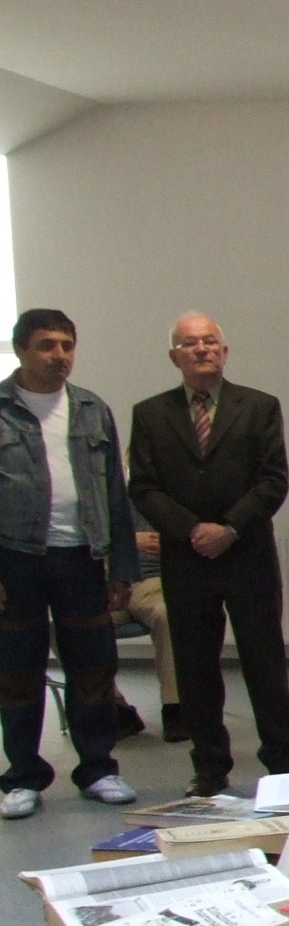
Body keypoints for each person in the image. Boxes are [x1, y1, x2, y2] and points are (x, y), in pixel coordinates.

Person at [128, 313, 289, 795]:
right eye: (190, 344)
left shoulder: (260, 406)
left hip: (247, 554)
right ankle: (209, 766)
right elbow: (143, 487)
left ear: (224, 352)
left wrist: (229, 528)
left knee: (264, 662)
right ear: (175, 357)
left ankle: (283, 761)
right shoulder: (150, 414)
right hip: (186, 559)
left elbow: (273, 480)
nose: (201, 349)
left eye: (210, 341)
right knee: (195, 666)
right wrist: (191, 530)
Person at [0, 310, 141, 819]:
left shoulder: (90, 409)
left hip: (82, 557)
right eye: (46, 345)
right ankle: (23, 777)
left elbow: (115, 493)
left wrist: (122, 566)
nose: (59, 355)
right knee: (17, 671)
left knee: (94, 667)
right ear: (21, 350)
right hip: (16, 559)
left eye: (67, 345)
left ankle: (98, 769)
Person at [123, 527, 184, 741]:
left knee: (166, 614)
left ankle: (175, 705)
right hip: (101, 583)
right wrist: (126, 541)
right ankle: (114, 705)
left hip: (147, 580)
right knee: (62, 627)